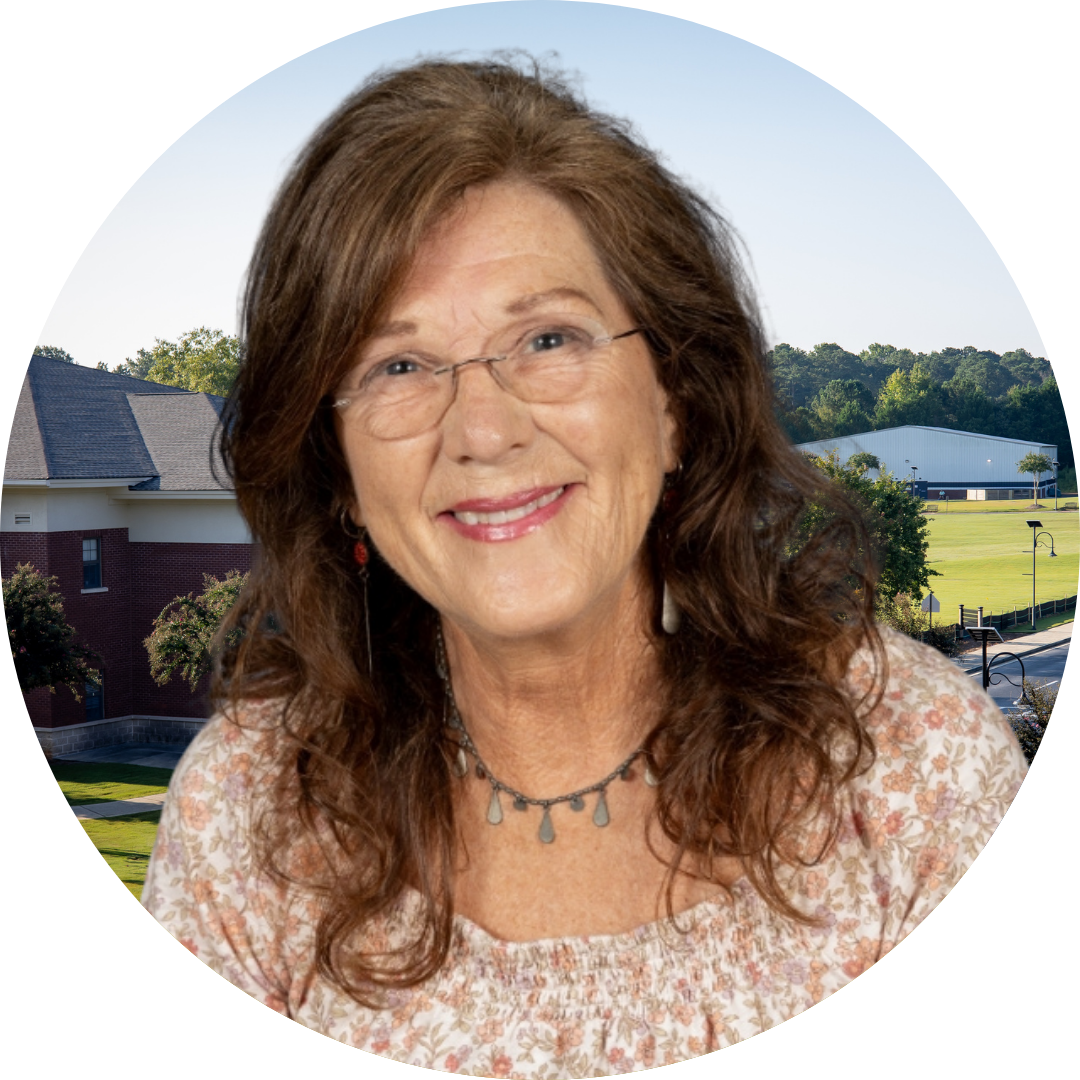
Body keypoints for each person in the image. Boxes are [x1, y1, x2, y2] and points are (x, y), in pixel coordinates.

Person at [143, 57, 1027, 1072]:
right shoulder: (244, 815)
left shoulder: (916, 771)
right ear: (336, 467)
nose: (484, 431)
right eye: (399, 366)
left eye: (548, 339)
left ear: (675, 401)